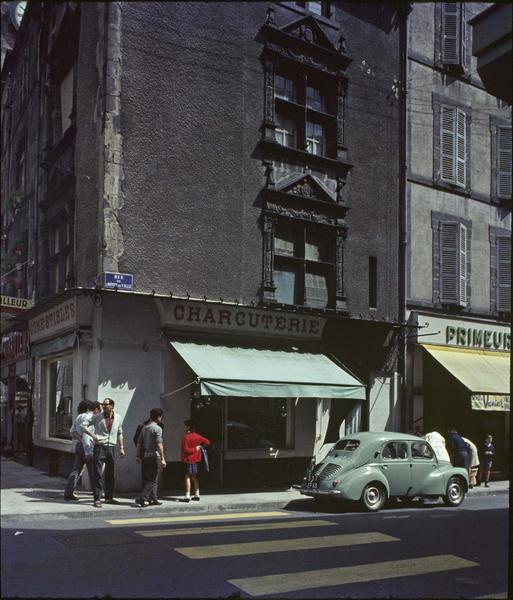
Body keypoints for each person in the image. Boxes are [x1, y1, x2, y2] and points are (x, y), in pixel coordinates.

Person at [82, 398, 125, 508]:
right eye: (103, 404)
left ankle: (109, 497)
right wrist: (92, 435)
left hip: (111, 447)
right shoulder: (97, 417)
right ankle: (97, 499)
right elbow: (83, 426)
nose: (104, 406)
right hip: (99, 447)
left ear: (112, 406)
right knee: (97, 473)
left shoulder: (118, 417)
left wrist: (121, 447)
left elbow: (120, 432)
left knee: (110, 473)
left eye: (106, 404)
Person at [64, 400, 101, 500]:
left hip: (80, 446)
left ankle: (68, 492)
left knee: (76, 470)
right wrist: (88, 450)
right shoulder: (91, 417)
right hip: (88, 446)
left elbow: (72, 432)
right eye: (99, 409)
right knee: (93, 471)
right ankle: (96, 495)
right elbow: (87, 435)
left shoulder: (80, 416)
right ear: (95, 409)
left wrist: (81, 440)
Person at [134, 408, 167, 507]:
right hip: (154, 456)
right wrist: (163, 458)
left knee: (151, 478)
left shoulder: (144, 428)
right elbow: (159, 444)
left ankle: (153, 499)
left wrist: (137, 455)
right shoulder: (157, 428)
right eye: (161, 416)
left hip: (146, 456)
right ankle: (142, 498)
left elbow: (139, 443)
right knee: (152, 479)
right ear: (158, 417)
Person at [180, 419, 210, 502]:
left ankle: (187, 496)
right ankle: (197, 494)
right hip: (196, 460)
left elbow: (186, 450)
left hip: (188, 460)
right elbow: (207, 442)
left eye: (186, 426)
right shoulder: (198, 436)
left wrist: (195, 449)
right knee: (194, 477)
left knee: (187, 477)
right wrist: (200, 447)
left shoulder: (186, 437)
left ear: (188, 427)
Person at [133, 416, 164, 486]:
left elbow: (136, 440)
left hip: (146, 453)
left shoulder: (143, 426)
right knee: (152, 476)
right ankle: (148, 495)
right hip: (152, 453)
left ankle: (149, 494)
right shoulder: (144, 426)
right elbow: (137, 440)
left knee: (147, 475)